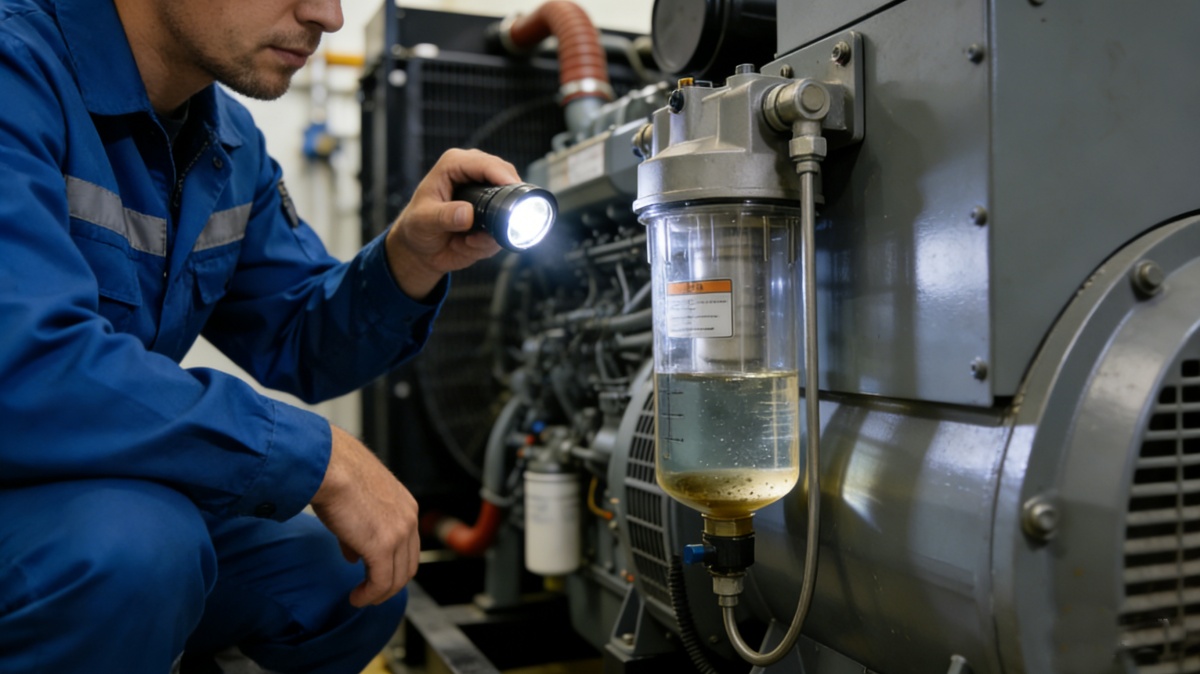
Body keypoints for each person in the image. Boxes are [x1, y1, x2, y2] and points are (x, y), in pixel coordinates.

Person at [0, 0, 520, 671]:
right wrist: (315, 455)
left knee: (342, 578)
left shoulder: (227, 143)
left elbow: (300, 340)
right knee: (140, 551)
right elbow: (27, 365)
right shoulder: (18, 71)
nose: (328, 16)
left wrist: (408, 260)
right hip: (42, 486)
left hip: (95, 477)